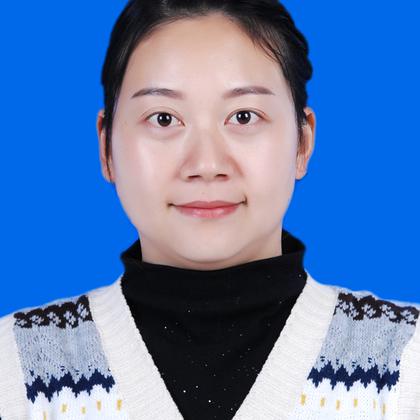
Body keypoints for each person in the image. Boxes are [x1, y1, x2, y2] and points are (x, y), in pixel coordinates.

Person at [1, 0, 419, 419]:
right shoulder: (17, 366)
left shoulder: (404, 358)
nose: (206, 164)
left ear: (303, 143)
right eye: (163, 119)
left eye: (244, 116)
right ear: (106, 148)